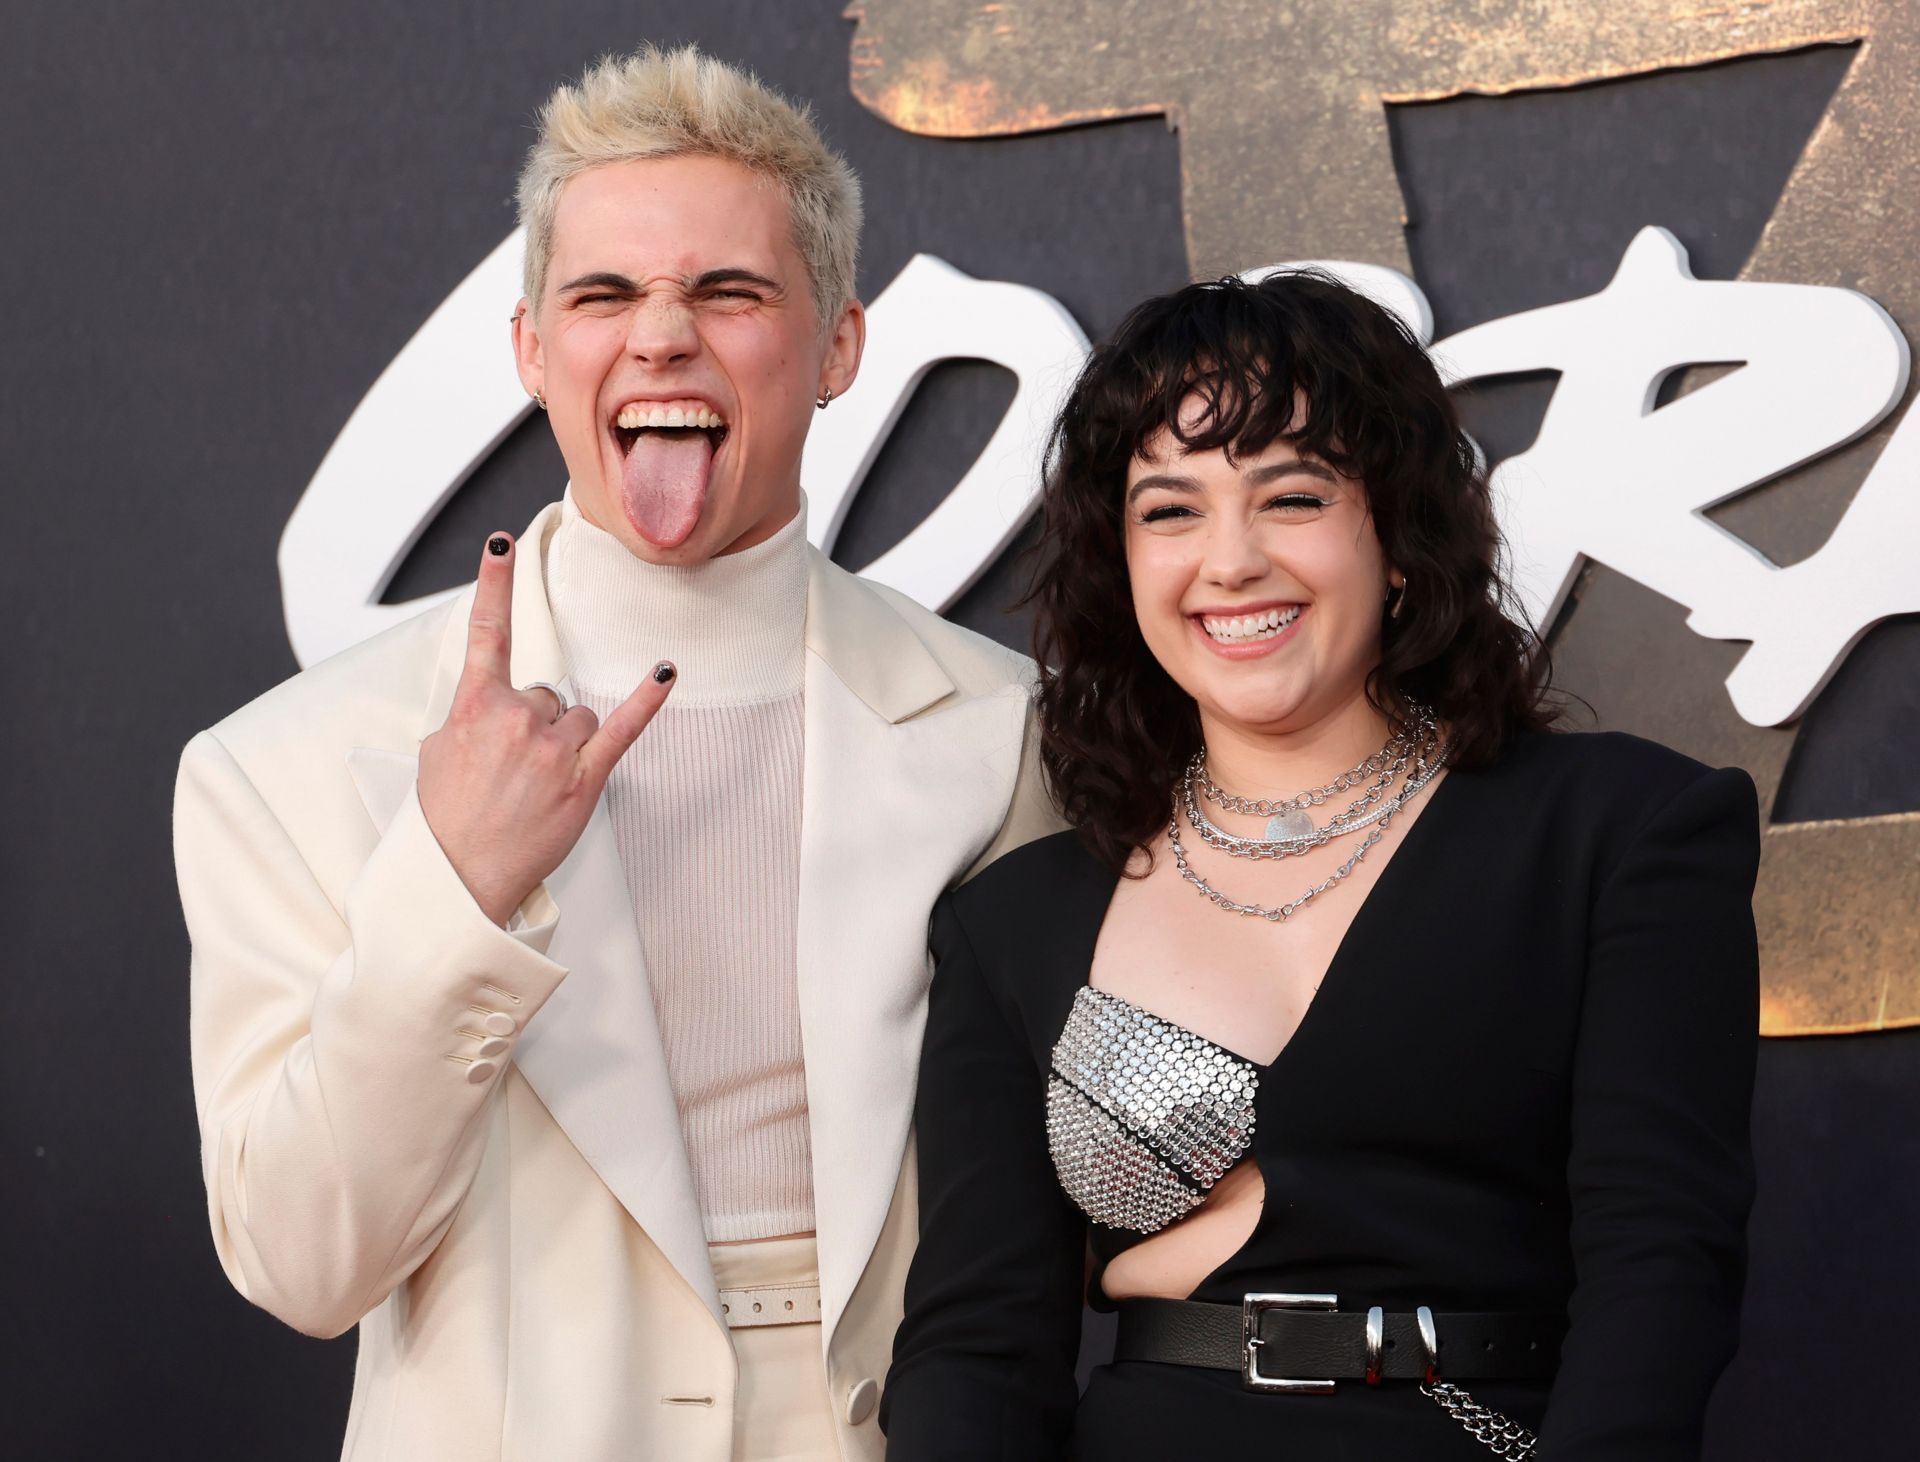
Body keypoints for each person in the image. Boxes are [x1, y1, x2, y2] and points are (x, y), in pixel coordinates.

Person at [175, 45, 1057, 1462]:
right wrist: (451, 887)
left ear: (837, 346)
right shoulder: (288, 764)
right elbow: (302, 1261)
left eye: (727, 290)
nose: (660, 338)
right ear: (533, 349)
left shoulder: (1005, 730)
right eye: (602, 295)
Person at [882, 272, 1760, 1460]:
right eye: (1170, 511)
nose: (1230, 561)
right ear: (1119, 561)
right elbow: (977, 1347)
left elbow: (1663, 1261)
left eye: (1291, 496)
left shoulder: (1623, 831)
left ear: (1398, 536)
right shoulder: (1014, 920)